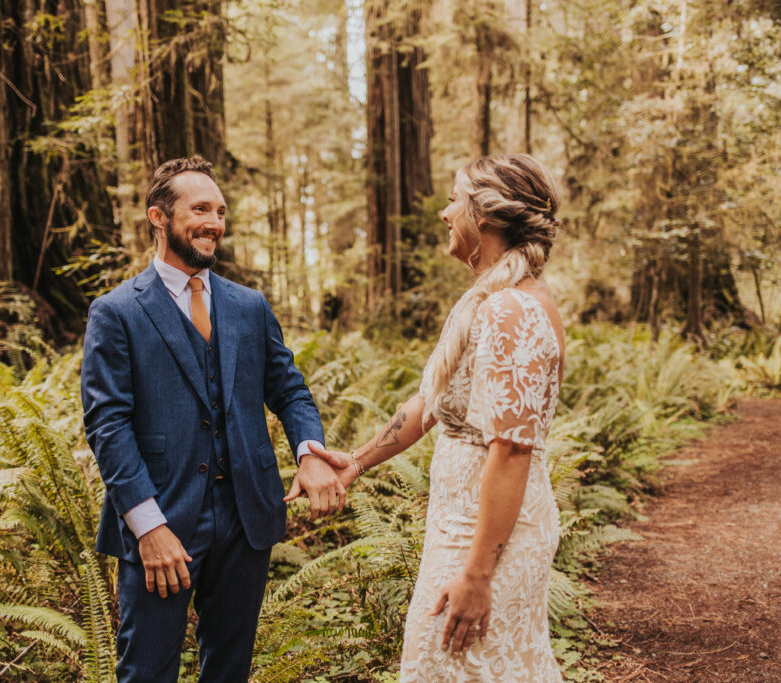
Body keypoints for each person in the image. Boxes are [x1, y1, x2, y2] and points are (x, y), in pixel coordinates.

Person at [81, 156, 346, 682]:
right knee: (146, 673)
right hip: (162, 521)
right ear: (159, 217)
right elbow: (107, 424)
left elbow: (289, 389)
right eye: (200, 208)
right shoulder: (116, 312)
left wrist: (310, 453)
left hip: (247, 518)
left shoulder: (248, 306)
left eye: (221, 211)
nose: (214, 222)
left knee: (229, 672)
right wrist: (147, 527)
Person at [314, 154, 566, 681]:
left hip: (489, 534)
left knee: (461, 665)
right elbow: (431, 403)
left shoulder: (511, 310)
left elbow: (513, 449)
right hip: (462, 525)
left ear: (487, 216)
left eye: (455, 199)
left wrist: (478, 575)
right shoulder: (489, 299)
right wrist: (355, 463)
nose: (445, 213)